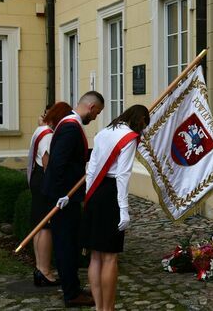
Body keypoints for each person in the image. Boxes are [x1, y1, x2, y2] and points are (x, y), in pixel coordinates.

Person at [82, 105, 150, 311]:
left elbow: (91, 167)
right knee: (110, 256)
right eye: (144, 125)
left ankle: (99, 307)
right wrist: (123, 208)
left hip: (94, 192)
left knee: (95, 255)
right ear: (139, 121)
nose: (143, 130)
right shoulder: (129, 138)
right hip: (111, 193)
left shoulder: (104, 132)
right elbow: (123, 175)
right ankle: (108, 309)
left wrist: (88, 196)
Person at [43, 91, 104, 308]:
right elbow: (59, 163)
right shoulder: (70, 127)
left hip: (65, 194)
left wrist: (98, 154)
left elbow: (72, 157)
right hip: (64, 197)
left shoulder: (70, 123)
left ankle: (74, 287)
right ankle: (71, 294)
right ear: (91, 107)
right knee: (66, 245)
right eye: (97, 113)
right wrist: (62, 196)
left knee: (70, 243)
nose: (96, 117)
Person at [27, 102, 72, 287]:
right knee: (46, 226)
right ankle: (45, 271)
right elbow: (48, 164)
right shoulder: (48, 135)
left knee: (39, 224)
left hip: (37, 179)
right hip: (44, 181)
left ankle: (39, 268)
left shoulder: (40, 129)